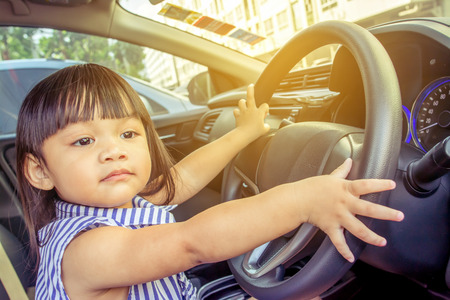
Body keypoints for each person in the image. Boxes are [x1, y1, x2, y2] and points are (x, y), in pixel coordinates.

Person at [15, 63, 404, 300]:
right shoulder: (85, 252)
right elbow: (193, 243)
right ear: (40, 171)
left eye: (128, 134)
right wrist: (304, 200)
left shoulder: (119, 201)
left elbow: (182, 178)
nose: (114, 151)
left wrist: (245, 133)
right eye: (84, 141)